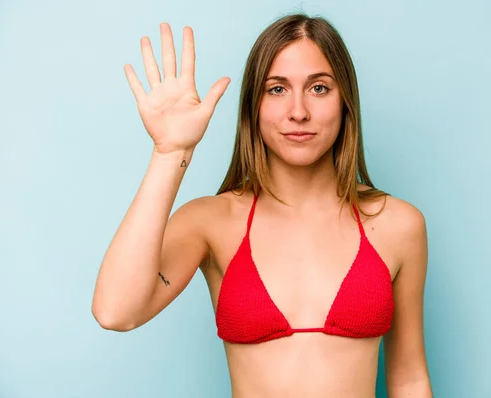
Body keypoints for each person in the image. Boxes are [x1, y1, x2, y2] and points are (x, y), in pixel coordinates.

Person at [92, 13, 433, 398]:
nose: (298, 111)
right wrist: (171, 152)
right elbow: (116, 312)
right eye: (277, 89)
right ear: (253, 105)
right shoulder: (212, 221)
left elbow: (408, 378)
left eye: (319, 88)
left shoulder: (398, 225)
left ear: (345, 101)